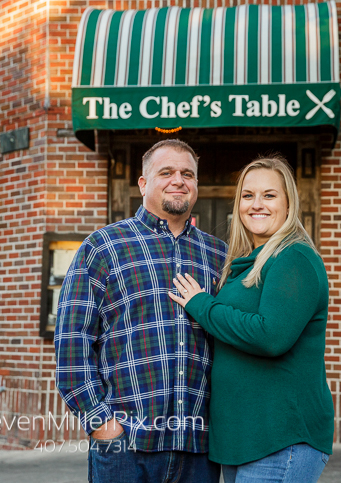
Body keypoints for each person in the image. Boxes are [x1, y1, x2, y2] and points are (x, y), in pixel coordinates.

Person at [55, 139, 226, 483]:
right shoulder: (103, 247)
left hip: (200, 447)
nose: (179, 180)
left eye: (187, 174)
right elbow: (72, 343)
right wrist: (101, 423)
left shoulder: (219, 254)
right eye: (166, 172)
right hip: (126, 447)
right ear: (143, 184)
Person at [169, 156, 333, 483]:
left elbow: (270, 336)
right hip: (241, 438)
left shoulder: (293, 258)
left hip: (280, 437)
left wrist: (202, 305)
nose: (257, 205)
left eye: (269, 195)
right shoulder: (244, 262)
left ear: (289, 205)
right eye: (248, 196)